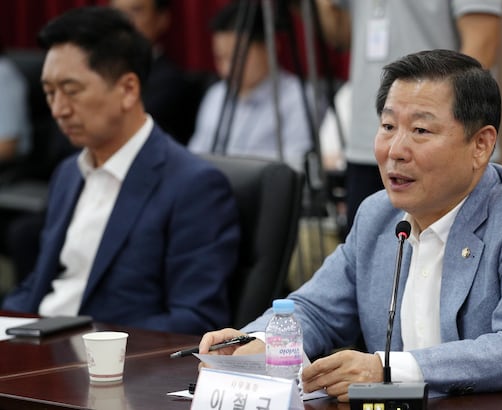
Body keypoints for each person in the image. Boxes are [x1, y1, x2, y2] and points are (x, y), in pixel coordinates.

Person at [197, 50, 502, 399]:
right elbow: (315, 310)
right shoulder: (378, 215)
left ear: (481, 145)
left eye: (420, 130)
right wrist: (258, 341)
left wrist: (386, 369)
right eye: (388, 126)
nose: (395, 150)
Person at [2, 6, 241, 335]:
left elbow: (194, 319)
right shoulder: (68, 174)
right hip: (39, 344)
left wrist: (89, 345)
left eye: (71, 91)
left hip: (106, 356)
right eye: (50, 93)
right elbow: (37, 286)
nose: (58, 109)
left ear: (128, 90)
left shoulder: (193, 185)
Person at [314, 0, 502, 233]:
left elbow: (483, 43)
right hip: (366, 142)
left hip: (437, 145)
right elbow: (340, 34)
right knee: (373, 249)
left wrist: (433, 123)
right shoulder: (371, 203)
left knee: (454, 249)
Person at [188, 0, 315, 173]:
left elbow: (295, 169)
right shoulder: (216, 95)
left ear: (270, 47)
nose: (227, 69)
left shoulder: (298, 99)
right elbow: (194, 157)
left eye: (237, 58)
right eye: (220, 58)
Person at [110, 0, 202, 145]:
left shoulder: (171, 82)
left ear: (162, 19)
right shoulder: (97, 73)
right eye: (117, 13)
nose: (125, 21)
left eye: (136, 11)